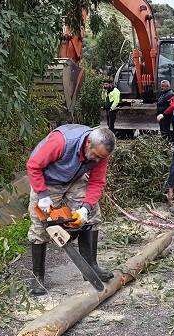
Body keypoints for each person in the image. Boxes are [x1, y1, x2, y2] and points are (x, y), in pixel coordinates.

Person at [26, 125, 117, 295]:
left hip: (74, 178)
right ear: (88, 142)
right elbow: (33, 166)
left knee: (93, 215)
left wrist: (85, 208)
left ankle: (91, 266)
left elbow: (97, 182)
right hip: (47, 180)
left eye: (101, 158)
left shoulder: (101, 154)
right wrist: (42, 194)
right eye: (96, 156)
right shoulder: (61, 142)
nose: (97, 160)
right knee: (40, 227)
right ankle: (37, 277)